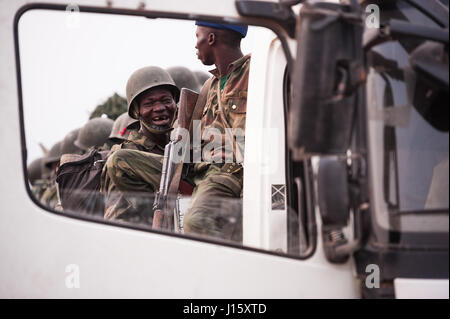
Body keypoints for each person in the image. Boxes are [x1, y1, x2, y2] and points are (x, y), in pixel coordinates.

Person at [181, 21, 250, 241]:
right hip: (198, 168)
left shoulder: (253, 72)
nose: (195, 45)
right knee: (120, 162)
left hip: (230, 172)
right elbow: (191, 140)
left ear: (210, 39)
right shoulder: (208, 86)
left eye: (197, 36)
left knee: (197, 221)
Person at [100, 66, 180, 224]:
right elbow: (117, 221)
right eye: (149, 104)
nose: (159, 108)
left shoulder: (180, 143)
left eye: (166, 101)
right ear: (136, 111)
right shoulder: (126, 161)